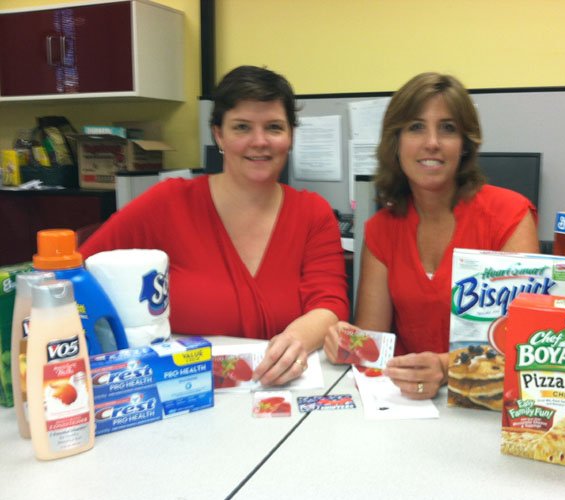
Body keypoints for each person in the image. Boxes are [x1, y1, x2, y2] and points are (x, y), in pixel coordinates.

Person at [81, 65, 349, 386]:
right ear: (219, 134)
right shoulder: (168, 204)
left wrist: (295, 340)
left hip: (284, 390)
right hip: (186, 396)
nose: (259, 141)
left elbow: (329, 304)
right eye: (242, 127)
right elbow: (76, 272)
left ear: (290, 136)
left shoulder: (312, 213)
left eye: (274, 127)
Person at [324, 72, 539, 399]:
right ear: (396, 142)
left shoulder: (509, 216)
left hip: (491, 403)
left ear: (465, 145)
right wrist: (346, 341)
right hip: (407, 402)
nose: (432, 142)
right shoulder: (382, 229)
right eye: (416, 127)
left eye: (448, 128)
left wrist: (445, 366)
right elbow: (373, 346)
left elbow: (529, 344)